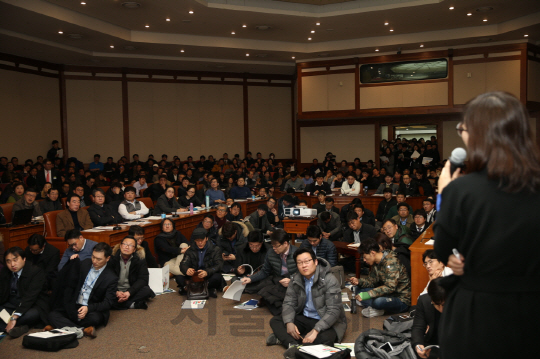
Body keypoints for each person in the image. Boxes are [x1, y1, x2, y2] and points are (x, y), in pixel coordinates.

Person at [433, 92, 540, 358]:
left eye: (464, 129)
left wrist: (443, 196)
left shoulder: (462, 190)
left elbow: (443, 247)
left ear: (481, 134)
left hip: (477, 312)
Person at [266, 248, 347, 357]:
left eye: (307, 261)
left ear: (315, 261)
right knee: (276, 320)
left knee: (326, 339)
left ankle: (286, 340)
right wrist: (289, 322)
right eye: (299, 263)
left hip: (326, 321)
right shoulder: (295, 279)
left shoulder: (330, 280)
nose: (304, 265)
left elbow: (334, 311)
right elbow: (289, 303)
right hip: (305, 317)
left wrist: (316, 330)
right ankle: (295, 346)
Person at [47, 243, 118, 338]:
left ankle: (63, 327)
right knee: (52, 315)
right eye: (93, 257)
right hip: (75, 304)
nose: (94, 261)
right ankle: (82, 330)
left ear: (107, 258)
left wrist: (88, 308)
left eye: (99, 259)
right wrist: (72, 262)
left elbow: (108, 303)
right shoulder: (85, 263)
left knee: (95, 319)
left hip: (91, 307)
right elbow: (69, 278)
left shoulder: (111, 277)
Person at [349, 238, 410, 317]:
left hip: (401, 298)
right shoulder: (376, 262)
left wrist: (368, 294)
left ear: (372, 253)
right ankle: (375, 308)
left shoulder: (391, 262)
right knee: (358, 289)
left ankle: (380, 310)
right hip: (387, 294)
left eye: (365, 257)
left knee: (378, 302)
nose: (364, 260)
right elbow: (372, 281)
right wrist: (359, 281)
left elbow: (390, 287)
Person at [241, 230, 298, 314]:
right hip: (278, 280)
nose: (274, 249)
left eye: (277, 246)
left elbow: (305, 274)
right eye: (273, 246)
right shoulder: (271, 252)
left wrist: (292, 281)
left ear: (285, 243)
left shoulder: (298, 253)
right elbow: (265, 271)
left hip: (293, 281)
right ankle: (277, 303)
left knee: (269, 291)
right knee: (264, 287)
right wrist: (250, 279)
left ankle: (277, 305)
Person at [0, 247, 49, 338]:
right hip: (11, 304)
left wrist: (14, 317)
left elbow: (30, 297)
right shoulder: (5, 271)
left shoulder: (36, 272)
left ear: (24, 259)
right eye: (8, 261)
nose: (12, 264)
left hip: (31, 305)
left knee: (30, 315)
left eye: (15, 260)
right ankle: (20, 327)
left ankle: (9, 326)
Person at [110, 236, 155, 310]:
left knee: (146, 290)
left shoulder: (140, 259)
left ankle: (119, 303)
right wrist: (116, 292)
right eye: (125, 244)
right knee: (102, 293)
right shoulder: (112, 258)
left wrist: (129, 293)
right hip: (115, 289)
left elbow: (143, 279)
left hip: (131, 289)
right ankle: (132, 304)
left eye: (130, 245)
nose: (127, 247)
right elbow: (107, 278)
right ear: (120, 246)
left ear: (134, 250)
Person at [179, 228, 224, 297]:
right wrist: (187, 270)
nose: (200, 243)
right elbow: (183, 264)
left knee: (217, 277)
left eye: (202, 240)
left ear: (206, 238)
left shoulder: (215, 249)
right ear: (194, 240)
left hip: (207, 277)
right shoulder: (190, 250)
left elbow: (219, 265)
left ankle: (190, 289)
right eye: (197, 241)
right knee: (178, 278)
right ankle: (208, 290)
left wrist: (207, 272)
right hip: (194, 277)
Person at [412, 279, 446, 359]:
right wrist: (418, 345)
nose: (441, 309)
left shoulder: (460, 303)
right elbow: (418, 327)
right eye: (437, 305)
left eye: (444, 305)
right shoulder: (424, 301)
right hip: (433, 344)